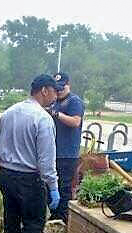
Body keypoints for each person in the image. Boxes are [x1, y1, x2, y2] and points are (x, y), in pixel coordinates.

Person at [0, 74, 59, 233]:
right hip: (28, 179)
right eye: (54, 91)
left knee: (11, 221)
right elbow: (46, 159)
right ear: (44, 91)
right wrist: (53, 185)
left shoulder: (9, 113)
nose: (55, 96)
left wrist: (4, 167)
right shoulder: (42, 119)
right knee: (34, 223)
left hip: (5, 174)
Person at [49, 72, 85, 222]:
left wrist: (57, 114)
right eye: (57, 88)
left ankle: (62, 219)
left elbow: (76, 121)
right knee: (51, 186)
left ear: (68, 85)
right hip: (53, 152)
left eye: (62, 87)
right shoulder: (54, 101)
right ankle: (54, 214)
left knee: (64, 188)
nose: (59, 91)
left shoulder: (74, 102)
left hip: (68, 154)